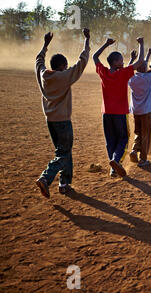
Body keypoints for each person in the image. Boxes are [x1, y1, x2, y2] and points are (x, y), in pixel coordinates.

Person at [35, 29, 90, 198]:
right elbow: (82, 62)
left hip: (50, 120)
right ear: (63, 66)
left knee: (64, 151)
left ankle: (64, 184)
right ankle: (46, 177)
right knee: (63, 153)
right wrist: (87, 40)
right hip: (63, 121)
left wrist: (45, 44)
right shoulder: (65, 76)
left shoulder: (43, 74)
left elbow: (39, 60)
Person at [93, 36, 145, 177]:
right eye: (121, 60)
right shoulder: (123, 73)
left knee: (110, 140)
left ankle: (113, 167)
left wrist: (105, 44)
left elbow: (95, 56)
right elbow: (141, 61)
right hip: (120, 113)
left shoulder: (103, 72)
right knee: (123, 138)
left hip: (106, 113)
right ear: (116, 63)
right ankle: (116, 161)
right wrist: (141, 43)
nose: (123, 62)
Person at [128, 46, 151, 167]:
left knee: (138, 132)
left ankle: (134, 149)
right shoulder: (149, 78)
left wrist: (132, 59)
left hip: (135, 111)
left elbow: (128, 70)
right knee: (146, 136)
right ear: (146, 68)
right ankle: (143, 159)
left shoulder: (132, 78)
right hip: (146, 111)